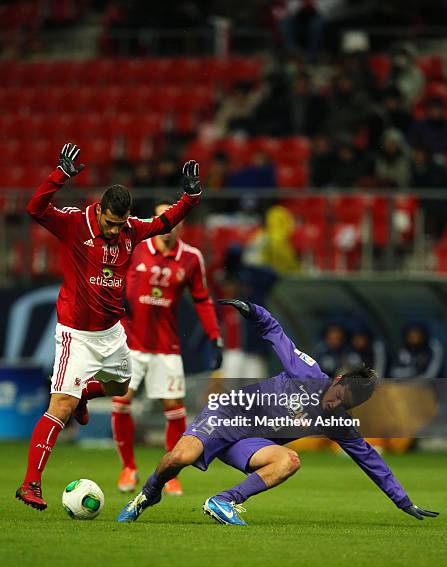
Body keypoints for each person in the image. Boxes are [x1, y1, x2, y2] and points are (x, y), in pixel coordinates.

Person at [117, 300, 438, 525]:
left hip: (250, 442)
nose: (335, 404)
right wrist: (252, 310)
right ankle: (147, 495)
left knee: (289, 460)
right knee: (178, 459)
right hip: (228, 415)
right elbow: (275, 332)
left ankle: (224, 501)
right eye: (339, 395)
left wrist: (402, 501)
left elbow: (370, 458)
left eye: (346, 404)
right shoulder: (307, 372)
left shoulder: (338, 421)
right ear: (337, 380)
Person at [15, 143, 202, 511]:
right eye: (110, 223)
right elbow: (34, 208)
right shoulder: (73, 223)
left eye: (122, 223)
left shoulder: (130, 229)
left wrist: (190, 197)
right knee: (61, 405)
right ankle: (30, 484)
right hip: (76, 335)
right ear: (99, 211)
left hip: (113, 333)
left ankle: (86, 393)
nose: (116, 230)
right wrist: (60, 176)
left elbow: (163, 223)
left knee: (119, 386)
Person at [112, 200, 223, 495]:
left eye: (174, 221)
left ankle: (171, 472)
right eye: (163, 219)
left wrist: (214, 336)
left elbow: (201, 299)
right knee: (121, 400)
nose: (168, 225)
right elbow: (111, 278)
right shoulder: (135, 248)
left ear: (181, 225)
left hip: (166, 346)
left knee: (173, 407)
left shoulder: (191, 257)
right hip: (130, 343)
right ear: (155, 221)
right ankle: (128, 467)